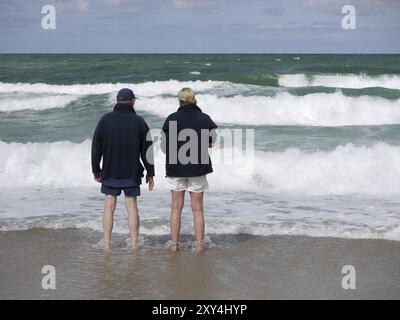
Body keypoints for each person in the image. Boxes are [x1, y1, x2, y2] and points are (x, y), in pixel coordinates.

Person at [91, 88, 155, 251]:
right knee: (131, 205)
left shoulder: (105, 120)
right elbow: (147, 150)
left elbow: (96, 146)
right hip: (131, 171)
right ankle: (134, 243)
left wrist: (96, 169)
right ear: (132, 101)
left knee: (109, 205)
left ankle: (106, 243)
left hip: (110, 169)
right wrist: (150, 172)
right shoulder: (139, 121)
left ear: (117, 101)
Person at [161, 88, 217, 252]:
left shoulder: (172, 118)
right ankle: (199, 246)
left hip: (175, 167)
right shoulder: (204, 119)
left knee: (176, 207)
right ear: (194, 100)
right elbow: (210, 143)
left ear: (180, 101)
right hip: (197, 168)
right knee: (198, 209)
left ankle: (174, 245)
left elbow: (165, 148)